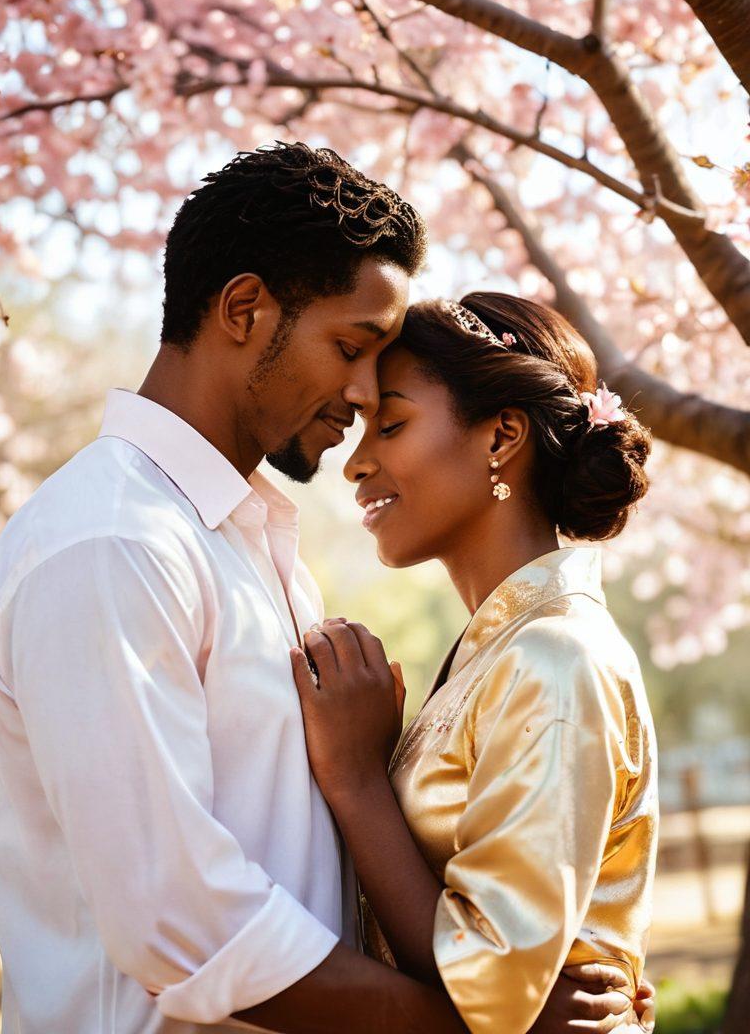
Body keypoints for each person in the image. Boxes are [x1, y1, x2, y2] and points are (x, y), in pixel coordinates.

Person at [0, 146, 649, 1034]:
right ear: (244, 310)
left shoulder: (260, 550)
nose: (364, 390)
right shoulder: (113, 543)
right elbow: (179, 924)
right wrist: (476, 1024)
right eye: (351, 346)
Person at [292, 292, 659, 1034]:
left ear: (502, 436)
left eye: (390, 424)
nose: (356, 464)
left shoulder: (556, 657)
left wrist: (358, 780)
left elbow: (490, 977)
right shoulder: (499, 651)